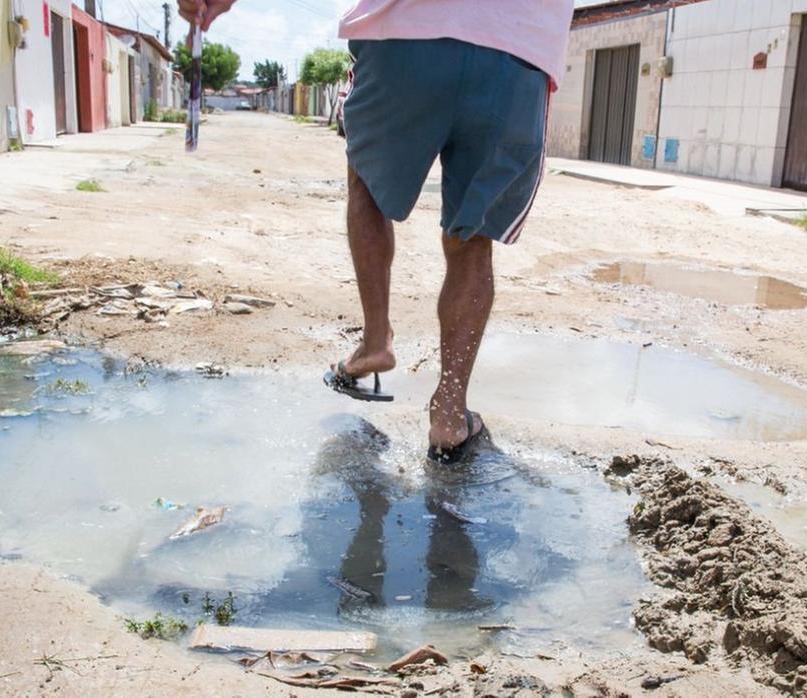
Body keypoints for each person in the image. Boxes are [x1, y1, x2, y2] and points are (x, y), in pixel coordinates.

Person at [179, 0, 575, 463]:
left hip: (408, 33)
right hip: (518, 51)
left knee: (365, 182)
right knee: (472, 236)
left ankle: (374, 342)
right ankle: (448, 414)